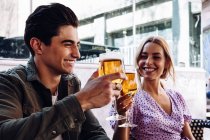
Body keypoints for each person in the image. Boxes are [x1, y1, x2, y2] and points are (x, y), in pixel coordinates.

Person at [0, 3, 126, 140]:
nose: (77, 54)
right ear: (38, 46)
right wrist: (81, 100)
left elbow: (94, 134)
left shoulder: (71, 83)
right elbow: (5, 133)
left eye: (77, 45)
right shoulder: (9, 82)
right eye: (67, 44)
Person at [111, 36, 195, 140]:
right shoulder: (131, 98)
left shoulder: (177, 97)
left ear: (166, 63)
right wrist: (122, 114)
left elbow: (188, 136)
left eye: (156, 57)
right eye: (144, 56)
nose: (148, 62)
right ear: (138, 61)